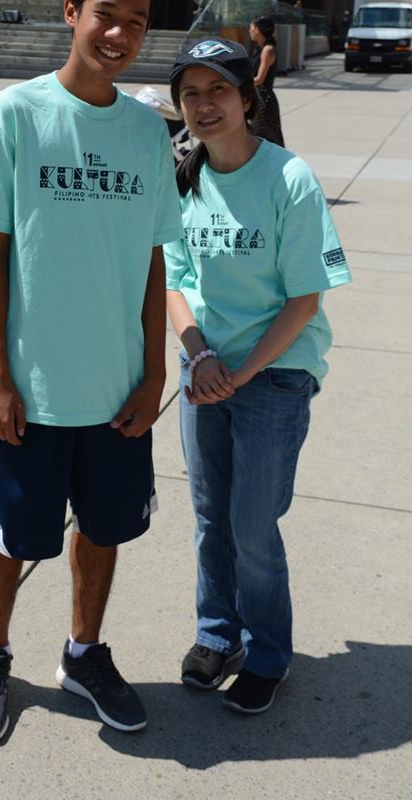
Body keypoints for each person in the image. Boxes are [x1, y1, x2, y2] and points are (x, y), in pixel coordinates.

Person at [0, 0, 183, 744]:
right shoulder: (14, 115)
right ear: (72, 11)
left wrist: (153, 372)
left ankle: (84, 654)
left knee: (106, 528)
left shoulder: (149, 133)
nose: (119, 34)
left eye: (137, 22)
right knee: (11, 533)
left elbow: (153, 261)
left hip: (116, 390)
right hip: (33, 388)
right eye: (106, 15)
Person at [164, 37, 352, 715]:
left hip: (272, 376)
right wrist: (199, 355)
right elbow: (173, 281)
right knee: (210, 516)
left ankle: (267, 653)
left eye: (219, 90)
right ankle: (218, 635)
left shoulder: (289, 179)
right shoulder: (184, 177)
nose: (204, 105)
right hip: (205, 372)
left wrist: (239, 373)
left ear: (248, 98)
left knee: (251, 524)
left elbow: (305, 301)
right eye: (191, 94)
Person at [249, 16, 284, 146]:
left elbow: (259, 79)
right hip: (257, 97)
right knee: (258, 139)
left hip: (264, 100)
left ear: (258, 30)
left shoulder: (267, 50)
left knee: (267, 138)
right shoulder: (260, 48)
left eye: (251, 28)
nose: (250, 31)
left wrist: (238, 83)